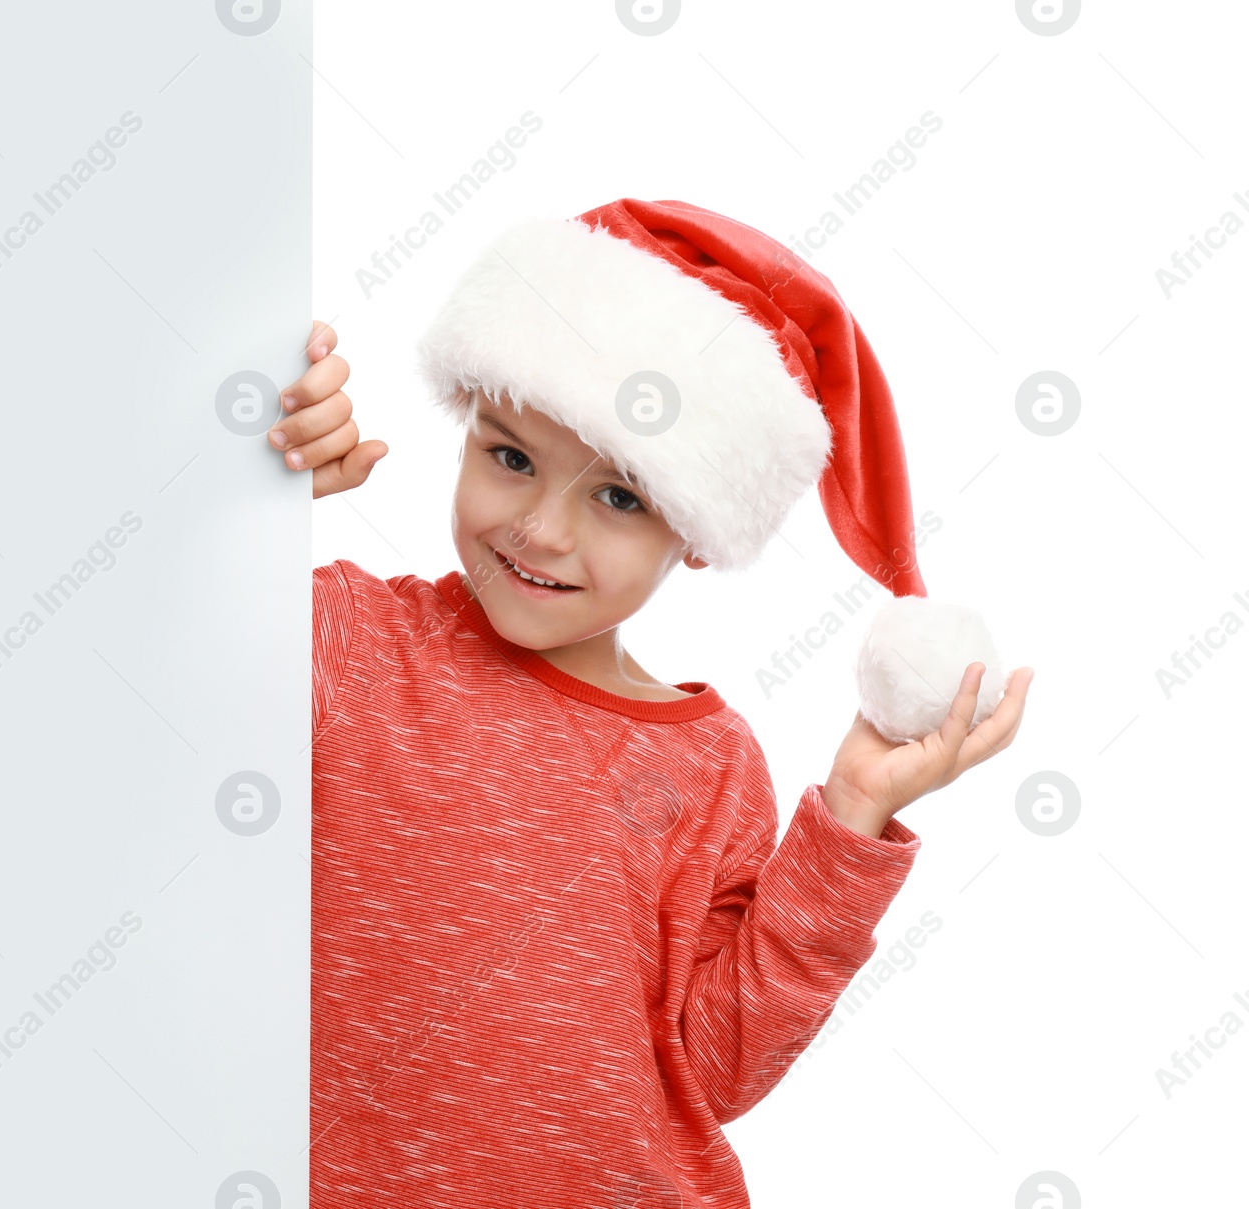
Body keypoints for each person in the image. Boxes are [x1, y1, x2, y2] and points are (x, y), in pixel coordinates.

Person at [273, 199, 1033, 1208]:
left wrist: (850, 817)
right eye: (509, 457)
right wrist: (253, 495)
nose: (541, 530)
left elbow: (711, 1070)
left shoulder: (709, 764)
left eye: (620, 498)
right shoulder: (341, 636)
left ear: (694, 532)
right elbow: (129, 674)